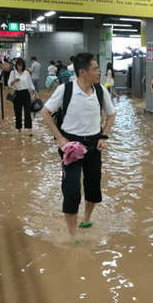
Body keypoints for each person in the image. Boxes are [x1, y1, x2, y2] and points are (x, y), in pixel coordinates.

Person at [41, 53, 117, 237]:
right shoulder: (66, 90)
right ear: (82, 72)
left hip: (93, 144)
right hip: (71, 145)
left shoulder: (100, 90)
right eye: (95, 69)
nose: (99, 72)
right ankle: (72, 233)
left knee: (93, 186)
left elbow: (112, 114)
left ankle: (86, 218)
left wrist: (104, 136)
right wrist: (60, 139)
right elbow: (45, 113)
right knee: (72, 189)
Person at [8, 58, 38, 135]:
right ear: (16, 65)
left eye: (21, 66)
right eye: (18, 65)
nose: (20, 67)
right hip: (17, 93)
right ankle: (19, 128)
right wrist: (14, 81)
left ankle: (29, 129)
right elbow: (9, 84)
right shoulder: (13, 73)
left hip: (26, 93)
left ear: (23, 66)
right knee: (17, 112)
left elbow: (30, 84)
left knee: (27, 112)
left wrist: (35, 93)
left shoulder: (26, 73)